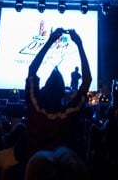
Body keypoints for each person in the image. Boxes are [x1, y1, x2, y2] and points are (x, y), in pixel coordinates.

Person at [25, 26, 92, 159]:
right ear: (63, 93)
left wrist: (50, 41)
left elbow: (32, 69)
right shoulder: (69, 113)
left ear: (44, 89)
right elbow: (87, 80)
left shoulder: (35, 108)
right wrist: (79, 44)